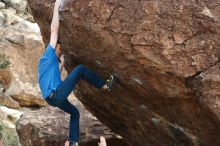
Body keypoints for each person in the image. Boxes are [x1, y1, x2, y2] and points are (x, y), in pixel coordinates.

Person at [37, 0, 115, 146]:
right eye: (59, 49)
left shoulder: (48, 65)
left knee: (75, 113)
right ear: (53, 49)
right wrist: (56, 6)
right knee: (80, 70)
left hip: (53, 98)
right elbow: (54, 30)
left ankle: (73, 142)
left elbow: (54, 77)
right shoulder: (48, 54)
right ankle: (104, 85)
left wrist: (64, 63)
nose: (60, 52)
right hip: (56, 95)